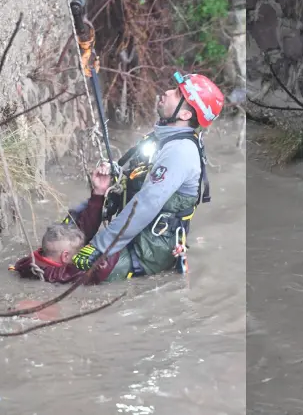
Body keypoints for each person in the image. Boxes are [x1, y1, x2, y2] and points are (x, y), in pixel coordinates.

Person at [67, 72, 224, 281]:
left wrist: (99, 247)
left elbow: (145, 204)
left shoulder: (180, 152)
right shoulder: (162, 137)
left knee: (74, 273)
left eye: (177, 93)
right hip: (133, 235)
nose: (167, 92)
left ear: (186, 115)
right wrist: (104, 186)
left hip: (148, 251)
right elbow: (136, 177)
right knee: (61, 237)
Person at [11, 163, 113, 284]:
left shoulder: (28, 262)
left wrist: (99, 193)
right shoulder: (58, 275)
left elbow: (81, 230)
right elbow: (98, 270)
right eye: (78, 252)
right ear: (65, 257)